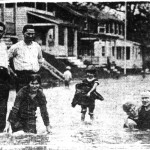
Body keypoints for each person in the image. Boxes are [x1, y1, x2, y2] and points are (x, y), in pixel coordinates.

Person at [8, 24, 44, 92]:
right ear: (23, 33)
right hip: (22, 76)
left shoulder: (37, 46)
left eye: (33, 34)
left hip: (35, 76)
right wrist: (13, 73)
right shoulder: (16, 47)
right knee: (22, 99)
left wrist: (37, 69)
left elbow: (40, 59)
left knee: (36, 99)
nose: (31, 36)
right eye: (28, 34)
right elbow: (6, 60)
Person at [0, 22, 11, 132]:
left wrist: (8, 71)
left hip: (3, 75)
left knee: (3, 103)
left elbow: (6, 61)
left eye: (1, 31)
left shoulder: (3, 44)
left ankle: (1, 129)